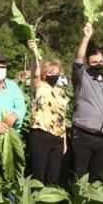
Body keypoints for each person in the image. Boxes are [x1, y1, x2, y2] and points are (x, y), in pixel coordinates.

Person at [71, 22, 103, 182]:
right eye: (94, 62)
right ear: (88, 64)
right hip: (83, 134)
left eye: (100, 61)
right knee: (80, 175)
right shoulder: (82, 78)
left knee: (97, 176)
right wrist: (86, 37)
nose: (98, 64)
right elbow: (78, 60)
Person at [27, 39, 68, 185]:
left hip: (57, 138)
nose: (54, 75)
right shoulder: (39, 87)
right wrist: (34, 53)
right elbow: (34, 74)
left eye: (57, 73)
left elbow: (61, 118)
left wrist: (64, 141)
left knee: (53, 176)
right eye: (50, 72)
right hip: (41, 135)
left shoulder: (61, 93)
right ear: (44, 73)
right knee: (38, 175)